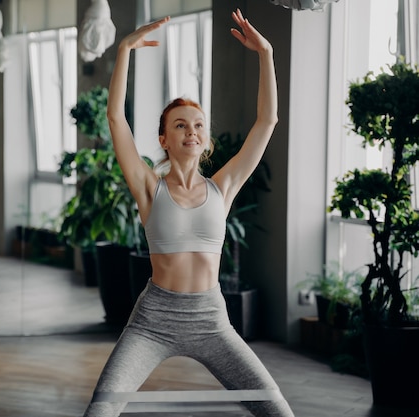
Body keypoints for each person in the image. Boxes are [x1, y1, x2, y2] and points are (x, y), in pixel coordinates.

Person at [83, 9, 294, 417]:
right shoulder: (149, 187)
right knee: (101, 411)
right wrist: (125, 48)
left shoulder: (223, 188)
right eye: (180, 125)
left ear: (205, 140)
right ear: (164, 138)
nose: (191, 131)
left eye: (198, 125)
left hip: (212, 321)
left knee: (278, 413)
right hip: (153, 321)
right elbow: (115, 119)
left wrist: (266, 53)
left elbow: (267, 121)